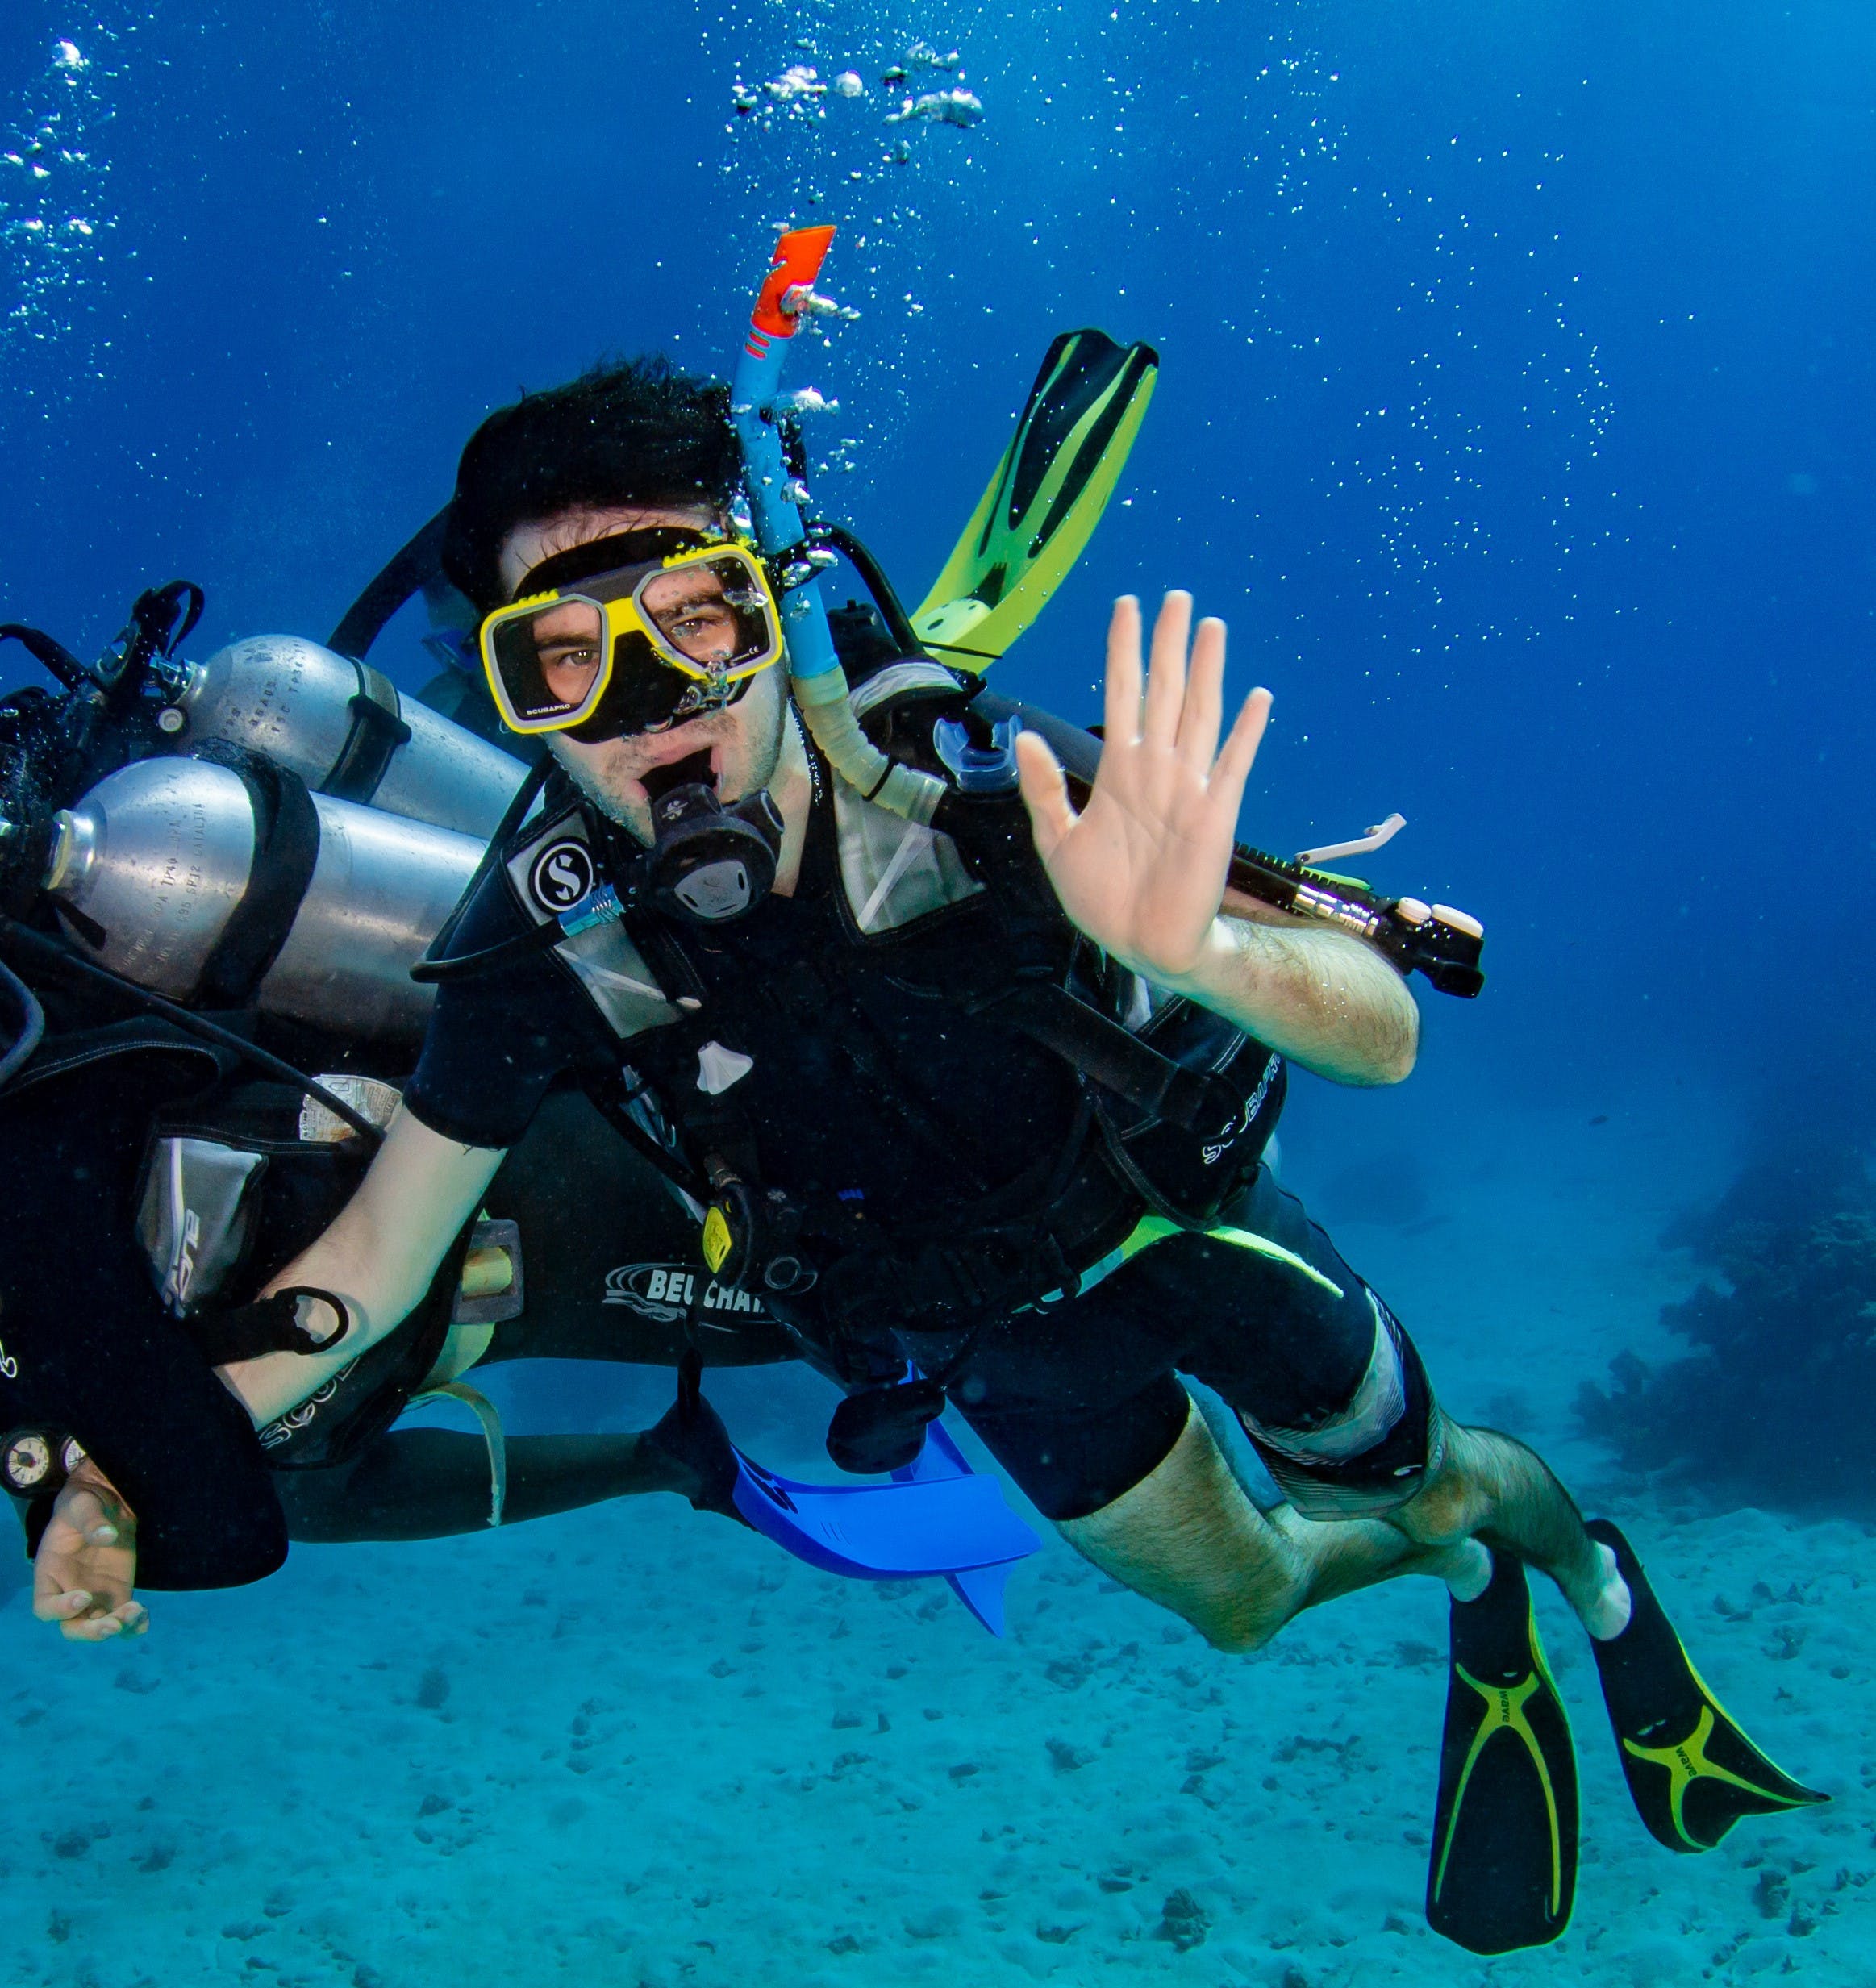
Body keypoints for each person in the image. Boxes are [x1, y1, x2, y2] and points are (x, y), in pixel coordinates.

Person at [27, 356, 1823, 1955]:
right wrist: (127, 1457)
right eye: (562, 662)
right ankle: (1457, 1582)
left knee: (1415, 1472)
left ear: (775, 607)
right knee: (1252, 1603)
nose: (652, 701)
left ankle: (1562, 1564)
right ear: (510, 703)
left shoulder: (973, 786)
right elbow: (366, 1272)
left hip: (1181, 1233)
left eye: (697, 619)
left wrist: (1200, 947)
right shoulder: (543, 948)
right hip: (979, 1339)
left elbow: (1391, 1024)